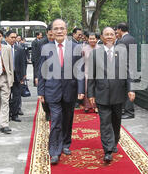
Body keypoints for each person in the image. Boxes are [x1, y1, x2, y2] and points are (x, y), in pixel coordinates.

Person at [37, 19, 85, 165]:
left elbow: (80, 70)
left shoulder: (75, 47)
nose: (59, 31)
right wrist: (41, 91)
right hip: (52, 90)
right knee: (56, 120)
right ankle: (54, 151)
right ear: (51, 31)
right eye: (56, 29)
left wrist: (81, 89)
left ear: (66, 30)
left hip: (70, 90)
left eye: (61, 28)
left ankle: (65, 143)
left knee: (68, 119)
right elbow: (41, 70)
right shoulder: (45, 47)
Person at [88, 27, 135, 163]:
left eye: (111, 34)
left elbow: (129, 72)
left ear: (115, 37)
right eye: (106, 34)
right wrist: (90, 94)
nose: (109, 37)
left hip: (118, 94)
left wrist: (131, 89)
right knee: (105, 122)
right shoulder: (95, 54)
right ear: (101, 38)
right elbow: (91, 75)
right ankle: (107, 150)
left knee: (116, 121)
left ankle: (114, 141)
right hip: (101, 94)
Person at [5, 29, 27, 122]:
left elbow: (23, 63)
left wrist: (23, 75)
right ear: (6, 38)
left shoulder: (19, 49)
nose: (14, 39)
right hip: (5, 76)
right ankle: (6, 114)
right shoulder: (3, 48)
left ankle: (14, 114)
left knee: (17, 96)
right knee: (6, 96)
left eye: (15, 37)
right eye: (12, 37)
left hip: (17, 75)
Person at [115, 23, 137, 119]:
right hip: (132, 65)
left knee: (127, 89)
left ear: (120, 29)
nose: (116, 32)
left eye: (117, 30)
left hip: (125, 67)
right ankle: (127, 110)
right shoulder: (132, 39)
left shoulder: (122, 41)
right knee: (130, 87)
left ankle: (129, 111)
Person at [36, 23, 54, 121]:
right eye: (50, 35)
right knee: (44, 96)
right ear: (46, 34)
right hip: (44, 72)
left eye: (53, 35)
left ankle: (53, 112)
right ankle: (47, 111)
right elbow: (37, 60)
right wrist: (36, 76)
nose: (52, 37)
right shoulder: (41, 44)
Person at [82, 32, 100, 113]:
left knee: (96, 89)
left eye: (93, 38)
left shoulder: (100, 48)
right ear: (87, 39)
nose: (92, 40)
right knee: (87, 89)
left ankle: (96, 106)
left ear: (96, 39)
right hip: (87, 71)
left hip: (98, 72)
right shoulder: (84, 49)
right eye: (90, 38)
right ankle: (87, 106)